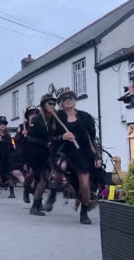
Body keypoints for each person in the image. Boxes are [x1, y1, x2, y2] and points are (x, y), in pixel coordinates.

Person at [51, 87, 102, 225]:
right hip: (64, 153)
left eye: (71, 97)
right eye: (64, 98)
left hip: (83, 155)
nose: (68, 100)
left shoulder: (85, 117)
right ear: (60, 103)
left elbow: (93, 139)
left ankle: (84, 212)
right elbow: (50, 139)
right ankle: (52, 195)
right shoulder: (56, 118)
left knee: (84, 185)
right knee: (60, 166)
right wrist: (63, 136)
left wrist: (97, 156)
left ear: (75, 100)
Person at [26, 94, 57, 216]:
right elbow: (30, 137)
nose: (52, 106)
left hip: (49, 153)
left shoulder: (55, 119)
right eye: (49, 104)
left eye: (53, 104)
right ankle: (34, 207)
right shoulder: (37, 119)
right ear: (43, 105)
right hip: (37, 153)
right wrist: (46, 143)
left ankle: (38, 203)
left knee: (42, 179)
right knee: (44, 179)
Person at [0, 116, 25, 205]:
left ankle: (27, 189)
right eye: (1, 124)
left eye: (4, 124)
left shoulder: (8, 136)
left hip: (8, 159)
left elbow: (12, 147)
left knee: (18, 173)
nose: (3, 125)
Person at [13, 106, 40, 204]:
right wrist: (21, 135)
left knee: (38, 177)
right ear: (28, 116)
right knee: (30, 176)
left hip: (38, 153)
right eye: (31, 114)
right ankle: (27, 190)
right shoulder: (21, 126)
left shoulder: (40, 126)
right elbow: (15, 140)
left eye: (35, 114)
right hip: (25, 154)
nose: (33, 116)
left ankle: (37, 201)